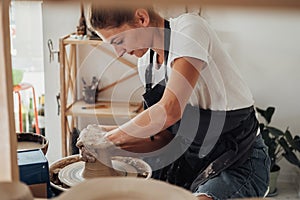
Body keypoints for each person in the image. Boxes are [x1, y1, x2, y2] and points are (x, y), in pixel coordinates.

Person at [76, 4, 270, 200]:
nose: (119, 52)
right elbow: (163, 138)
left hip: (238, 161)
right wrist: (103, 138)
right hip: (190, 164)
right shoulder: (147, 64)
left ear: (142, 18)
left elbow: (170, 110)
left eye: (119, 41)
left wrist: (109, 138)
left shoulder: (190, 29)